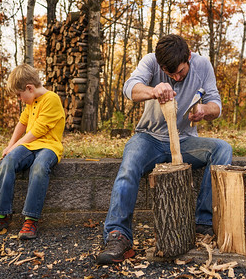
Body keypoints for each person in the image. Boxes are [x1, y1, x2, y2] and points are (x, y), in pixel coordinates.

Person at [96, 34, 232, 264]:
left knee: (222, 149)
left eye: (180, 71)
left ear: (188, 57)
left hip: (185, 140)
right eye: (170, 74)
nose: (176, 77)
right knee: (129, 166)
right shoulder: (150, 61)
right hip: (149, 138)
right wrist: (153, 90)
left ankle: (203, 223)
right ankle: (118, 235)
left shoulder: (202, 65)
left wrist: (204, 110)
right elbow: (129, 88)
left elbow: (216, 105)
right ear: (160, 66)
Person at [0, 64, 65, 239]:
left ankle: (31, 219)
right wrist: (10, 146)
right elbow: (22, 123)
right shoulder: (31, 102)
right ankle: (1, 215)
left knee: (39, 168)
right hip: (29, 146)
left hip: (49, 146)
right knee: (8, 161)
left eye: (19, 95)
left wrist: (16, 145)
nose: (19, 99)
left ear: (29, 88)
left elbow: (37, 131)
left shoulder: (52, 99)